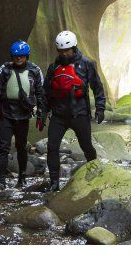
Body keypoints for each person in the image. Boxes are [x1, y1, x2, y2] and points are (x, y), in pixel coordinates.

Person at [44, 30, 106, 192]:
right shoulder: (53, 67)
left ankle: (94, 172)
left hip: (80, 114)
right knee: (52, 147)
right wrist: (43, 112)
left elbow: (97, 88)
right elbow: (46, 92)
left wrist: (100, 108)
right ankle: (54, 183)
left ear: (74, 47)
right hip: (58, 116)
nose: (64, 54)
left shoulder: (87, 64)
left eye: (67, 51)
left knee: (87, 147)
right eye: (61, 51)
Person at [0, 40, 46, 187]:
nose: (18, 59)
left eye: (21, 56)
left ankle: (22, 177)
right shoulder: (5, 69)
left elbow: (41, 93)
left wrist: (41, 114)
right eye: (15, 56)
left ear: (26, 56)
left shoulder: (35, 70)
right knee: (3, 147)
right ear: (12, 57)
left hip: (24, 115)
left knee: (21, 147)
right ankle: (1, 180)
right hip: (6, 114)